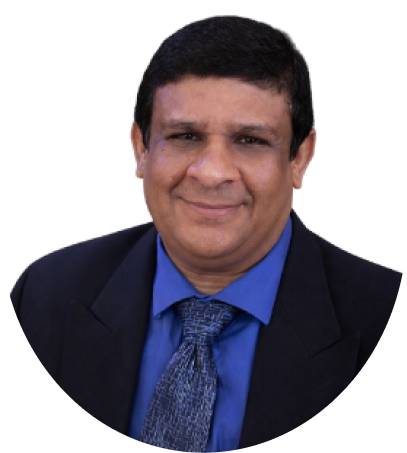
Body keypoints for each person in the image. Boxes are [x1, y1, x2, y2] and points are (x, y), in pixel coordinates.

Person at [10, 15, 401, 451]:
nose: (212, 173)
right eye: (185, 136)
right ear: (142, 149)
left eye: (250, 141)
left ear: (298, 158)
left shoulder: (381, 314)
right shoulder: (44, 298)